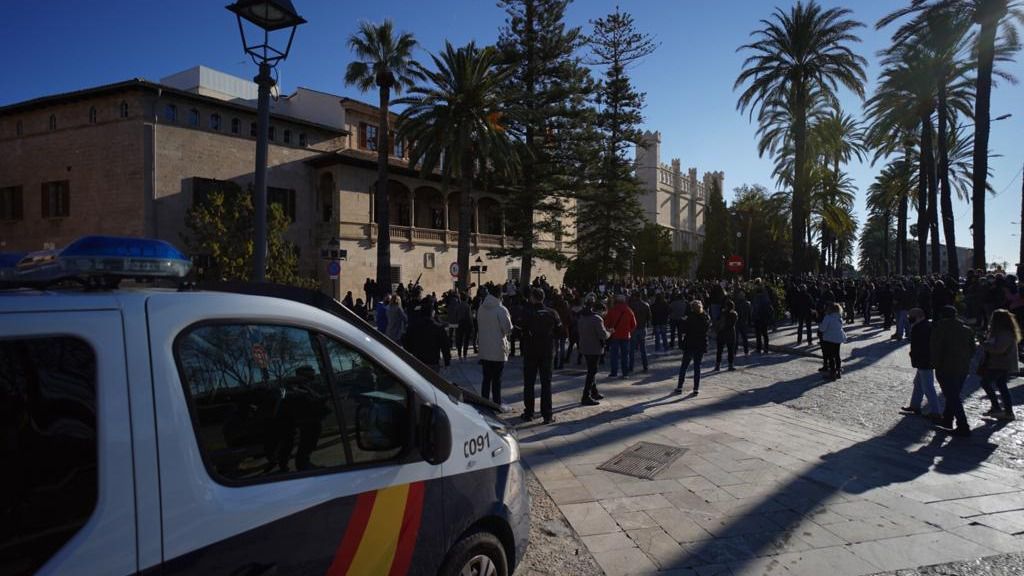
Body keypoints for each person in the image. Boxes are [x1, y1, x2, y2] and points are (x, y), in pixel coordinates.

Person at [930, 305, 976, 436]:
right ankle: (947, 419)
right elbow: (973, 349)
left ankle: (963, 425)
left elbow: (935, 348)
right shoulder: (967, 330)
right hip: (962, 367)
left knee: (952, 396)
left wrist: (934, 364)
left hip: (945, 366)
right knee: (953, 394)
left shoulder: (940, 328)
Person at [521, 288, 562, 423]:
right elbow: (560, 331)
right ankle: (547, 415)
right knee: (546, 384)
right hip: (547, 352)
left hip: (531, 351)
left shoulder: (528, 313)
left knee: (529, 383)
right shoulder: (552, 313)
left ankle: (529, 413)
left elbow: (520, 330)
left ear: (532, 298)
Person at [977, 309, 1020, 421]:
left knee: (986, 383)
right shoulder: (1001, 331)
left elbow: (999, 349)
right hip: (1000, 363)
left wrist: (985, 345)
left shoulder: (1005, 333)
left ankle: (997, 408)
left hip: (1000, 364)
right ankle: (1006, 411)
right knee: (1001, 386)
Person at [901, 307, 942, 420]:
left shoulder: (921, 328)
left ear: (919, 316)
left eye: (911, 317)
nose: (909, 319)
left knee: (928, 387)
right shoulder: (923, 326)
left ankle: (936, 411)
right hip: (923, 361)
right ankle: (915, 405)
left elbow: (922, 347)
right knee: (918, 383)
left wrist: (915, 357)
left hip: (924, 361)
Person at [476, 285, 513, 405]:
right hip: (498, 349)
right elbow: (507, 329)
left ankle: (484, 402)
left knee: (486, 379)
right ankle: (496, 403)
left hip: (484, 349)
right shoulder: (501, 309)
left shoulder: (481, 308)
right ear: (500, 295)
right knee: (497, 380)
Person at [578, 301, 611, 405]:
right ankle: (585, 396)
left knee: (591, 369)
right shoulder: (597, 319)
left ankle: (594, 391)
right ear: (601, 310)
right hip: (594, 348)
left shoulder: (582, 317)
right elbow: (602, 335)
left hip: (584, 346)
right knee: (592, 372)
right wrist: (609, 332)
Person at [676, 300, 710, 395]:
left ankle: (679, 387)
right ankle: (696, 388)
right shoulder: (705, 317)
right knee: (697, 367)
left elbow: (682, 329)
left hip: (690, 344)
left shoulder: (689, 317)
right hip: (700, 344)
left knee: (684, 366)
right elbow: (708, 328)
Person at [405, 304, 451, 371]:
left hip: (417, 360)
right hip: (433, 361)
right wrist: (447, 362)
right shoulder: (438, 328)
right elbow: (445, 346)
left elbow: (406, 342)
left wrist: (412, 351)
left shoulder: (412, 327)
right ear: (432, 313)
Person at [605, 294, 637, 378]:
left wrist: (610, 330)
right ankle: (625, 373)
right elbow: (634, 324)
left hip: (615, 335)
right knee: (625, 355)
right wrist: (629, 331)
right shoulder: (629, 311)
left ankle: (614, 372)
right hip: (626, 335)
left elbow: (606, 324)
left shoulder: (612, 310)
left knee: (614, 355)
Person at [818, 302, 847, 380]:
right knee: (837, 354)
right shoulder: (839, 317)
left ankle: (832, 373)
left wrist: (820, 325)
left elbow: (822, 328)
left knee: (830, 356)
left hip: (829, 338)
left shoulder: (828, 317)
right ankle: (838, 371)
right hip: (838, 338)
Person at [629, 292, 651, 373]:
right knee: (643, 348)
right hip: (642, 327)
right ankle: (645, 366)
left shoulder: (631, 306)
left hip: (633, 328)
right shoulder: (646, 305)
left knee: (631, 349)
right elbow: (649, 317)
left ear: (635, 296)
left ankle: (631, 367)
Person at [714, 299, 738, 371]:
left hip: (721, 333)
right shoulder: (734, 314)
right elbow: (733, 324)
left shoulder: (722, 313)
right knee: (730, 350)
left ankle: (717, 365)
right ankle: (730, 365)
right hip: (730, 333)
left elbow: (717, 321)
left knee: (719, 350)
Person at [449, 292, 473, 360]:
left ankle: (459, 354)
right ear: (466, 299)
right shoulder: (467, 306)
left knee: (459, 339)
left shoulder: (458, 306)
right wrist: (471, 325)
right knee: (466, 340)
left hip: (459, 324)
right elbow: (469, 317)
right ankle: (464, 355)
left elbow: (455, 315)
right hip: (466, 323)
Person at [751, 287, 774, 353]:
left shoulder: (755, 299)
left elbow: (753, 310)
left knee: (758, 335)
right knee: (765, 334)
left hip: (757, 319)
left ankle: (759, 348)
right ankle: (766, 348)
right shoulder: (766, 299)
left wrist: (753, 318)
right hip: (764, 319)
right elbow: (771, 309)